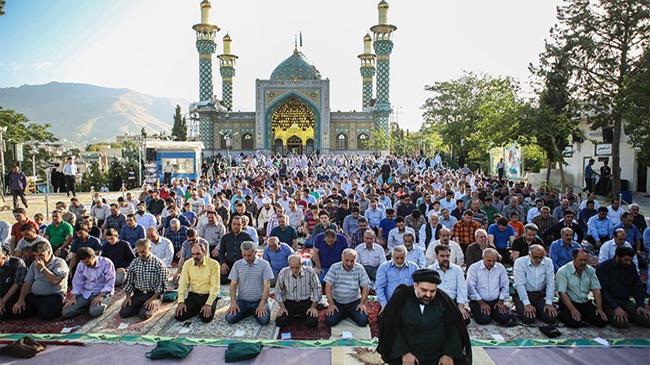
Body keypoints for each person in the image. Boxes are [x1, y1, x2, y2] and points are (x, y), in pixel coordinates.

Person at [376, 268, 472, 365]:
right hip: (407, 353)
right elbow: (390, 327)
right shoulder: (401, 297)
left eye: (432, 291)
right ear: (415, 285)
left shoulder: (443, 300)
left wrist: (448, 354)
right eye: (424, 290)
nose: (428, 294)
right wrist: (404, 352)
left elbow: (454, 328)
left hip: (438, 356)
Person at [11, 241, 69, 320]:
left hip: (53, 295)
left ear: (49, 253)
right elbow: (27, 283)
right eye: (36, 256)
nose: (38, 258)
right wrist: (21, 300)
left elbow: (55, 281)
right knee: (17, 312)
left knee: (47, 315)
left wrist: (42, 269)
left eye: (41, 255)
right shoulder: (34, 264)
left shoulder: (59, 263)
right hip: (36, 296)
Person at [596, 246, 650, 328]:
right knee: (622, 323)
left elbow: (638, 286)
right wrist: (616, 307)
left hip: (624, 301)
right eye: (626, 260)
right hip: (608, 303)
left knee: (646, 319)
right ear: (617, 257)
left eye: (630, 260)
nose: (628, 262)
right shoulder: (603, 267)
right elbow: (604, 292)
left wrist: (640, 305)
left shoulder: (631, 266)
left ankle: (629, 314)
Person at [556, 248, 607, 328]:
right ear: (573, 258)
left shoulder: (590, 270)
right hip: (569, 303)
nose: (583, 263)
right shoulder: (563, 271)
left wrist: (599, 308)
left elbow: (596, 289)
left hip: (584, 302)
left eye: (585, 260)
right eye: (581, 260)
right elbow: (562, 293)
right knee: (573, 322)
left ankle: (583, 317)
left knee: (602, 321)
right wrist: (573, 309)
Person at [225, 241, 274, 325]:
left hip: (259, 300)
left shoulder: (265, 264)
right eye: (244, 255)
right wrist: (233, 302)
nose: (246, 258)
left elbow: (267, 286)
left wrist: (262, 304)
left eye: (249, 255)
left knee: (264, 320)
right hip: (242, 300)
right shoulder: (237, 264)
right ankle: (250, 311)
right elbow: (233, 285)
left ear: (255, 252)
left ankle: (251, 311)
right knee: (229, 318)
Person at [120, 239, 168, 320]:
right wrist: (128, 296)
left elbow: (162, 285)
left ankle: (156, 304)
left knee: (144, 315)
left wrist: (153, 299)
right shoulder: (135, 263)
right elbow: (129, 281)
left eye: (143, 252)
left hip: (153, 294)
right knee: (123, 313)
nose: (141, 254)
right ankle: (141, 306)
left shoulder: (159, 264)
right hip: (139, 293)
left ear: (149, 249)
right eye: (139, 252)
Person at [62, 247, 115, 318]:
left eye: (87, 262)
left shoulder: (106, 263)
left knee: (95, 312)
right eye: (83, 262)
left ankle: (95, 306)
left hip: (102, 292)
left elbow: (110, 282)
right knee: (66, 312)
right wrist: (73, 297)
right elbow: (77, 281)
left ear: (93, 257)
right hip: (86, 293)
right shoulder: (81, 265)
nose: (85, 264)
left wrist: (101, 296)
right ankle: (86, 307)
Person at [175, 243, 221, 323]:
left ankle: (210, 303)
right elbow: (183, 283)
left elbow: (215, 286)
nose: (195, 257)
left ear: (205, 252)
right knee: (179, 316)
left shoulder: (214, 264)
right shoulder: (187, 264)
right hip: (193, 295)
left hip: (208, 295)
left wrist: (208, 304)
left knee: (205, 318)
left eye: (198, 254)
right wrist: (181, 301)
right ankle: (198, 308)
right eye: (193, 254)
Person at [323, 249, 370, 327]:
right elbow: (328, 287)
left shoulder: (360, 268)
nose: (349, 263)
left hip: (354, 302)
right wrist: (331, 304)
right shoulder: (334, 267)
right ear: (342, 258)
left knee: (363, 321)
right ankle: (345, 314)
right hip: (337, 302)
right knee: (329, 322)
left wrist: (362, 303)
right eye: (347, 260)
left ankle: (346, 314)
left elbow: (365, 287)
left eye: (352, 261)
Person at [466, 248, 513, 325]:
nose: (491, 263)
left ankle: (492, 312)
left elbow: (505, 285)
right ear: (483, 258)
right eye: (489, 261)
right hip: (478, 301)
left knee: (505, 318)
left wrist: (500, 301)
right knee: (484, 319)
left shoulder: (500, 268)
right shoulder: (474, 268)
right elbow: (470, 288)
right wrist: (481, 303)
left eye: (494, 261)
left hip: (496, 301)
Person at [512, 245, 557, 324]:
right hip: (522, 295)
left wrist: (549, 303)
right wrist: (527, 304)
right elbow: (520, 285)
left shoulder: (548, 262)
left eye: (541, 257)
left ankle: (538, 310)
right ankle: (522, 307)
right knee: (529, 318)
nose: (539, 260)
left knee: (551, 318)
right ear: (529, 255)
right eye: (536, 257)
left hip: (539, 295)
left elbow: (551, 283)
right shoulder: (520, 262)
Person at [274, 254, 322, 328]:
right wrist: (282, 307)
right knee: (280, 322)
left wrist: (313, 307)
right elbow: (278, 290)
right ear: (288, 265)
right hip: (289, 303)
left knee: (312, 322)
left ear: (301, 264)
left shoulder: (310, 272)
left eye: (297, 267)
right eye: (292, 267)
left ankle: (300, 316)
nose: (294, 270)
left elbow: (317, 288)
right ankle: (297, 316)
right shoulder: (283, 272)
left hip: (305, 302)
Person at [428, 244, 470, 325]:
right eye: (442, 256)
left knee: (465, 320)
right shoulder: (430, 270)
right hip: (437, 302)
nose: (445, 258)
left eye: (447, 256)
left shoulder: (457, 270)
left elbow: (462, 288)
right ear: (436, 256)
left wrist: (461, 306)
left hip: (453, 301)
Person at [217, 216, 252, 284]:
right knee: (222, 281)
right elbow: (221, 252)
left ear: (242, 225)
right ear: (231, 225)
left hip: (243, 265)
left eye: (238, 224)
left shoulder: (246, 237)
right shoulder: (225, 237)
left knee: (243, 282)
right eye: (234, 224)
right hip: (229, 264)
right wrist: (223, 263)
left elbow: (252, 252)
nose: (236, 226)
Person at [0, 249, 27, 319]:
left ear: (3, 257)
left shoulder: (17, 263)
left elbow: (17, 284)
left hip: (12, 295)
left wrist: (3, 301)